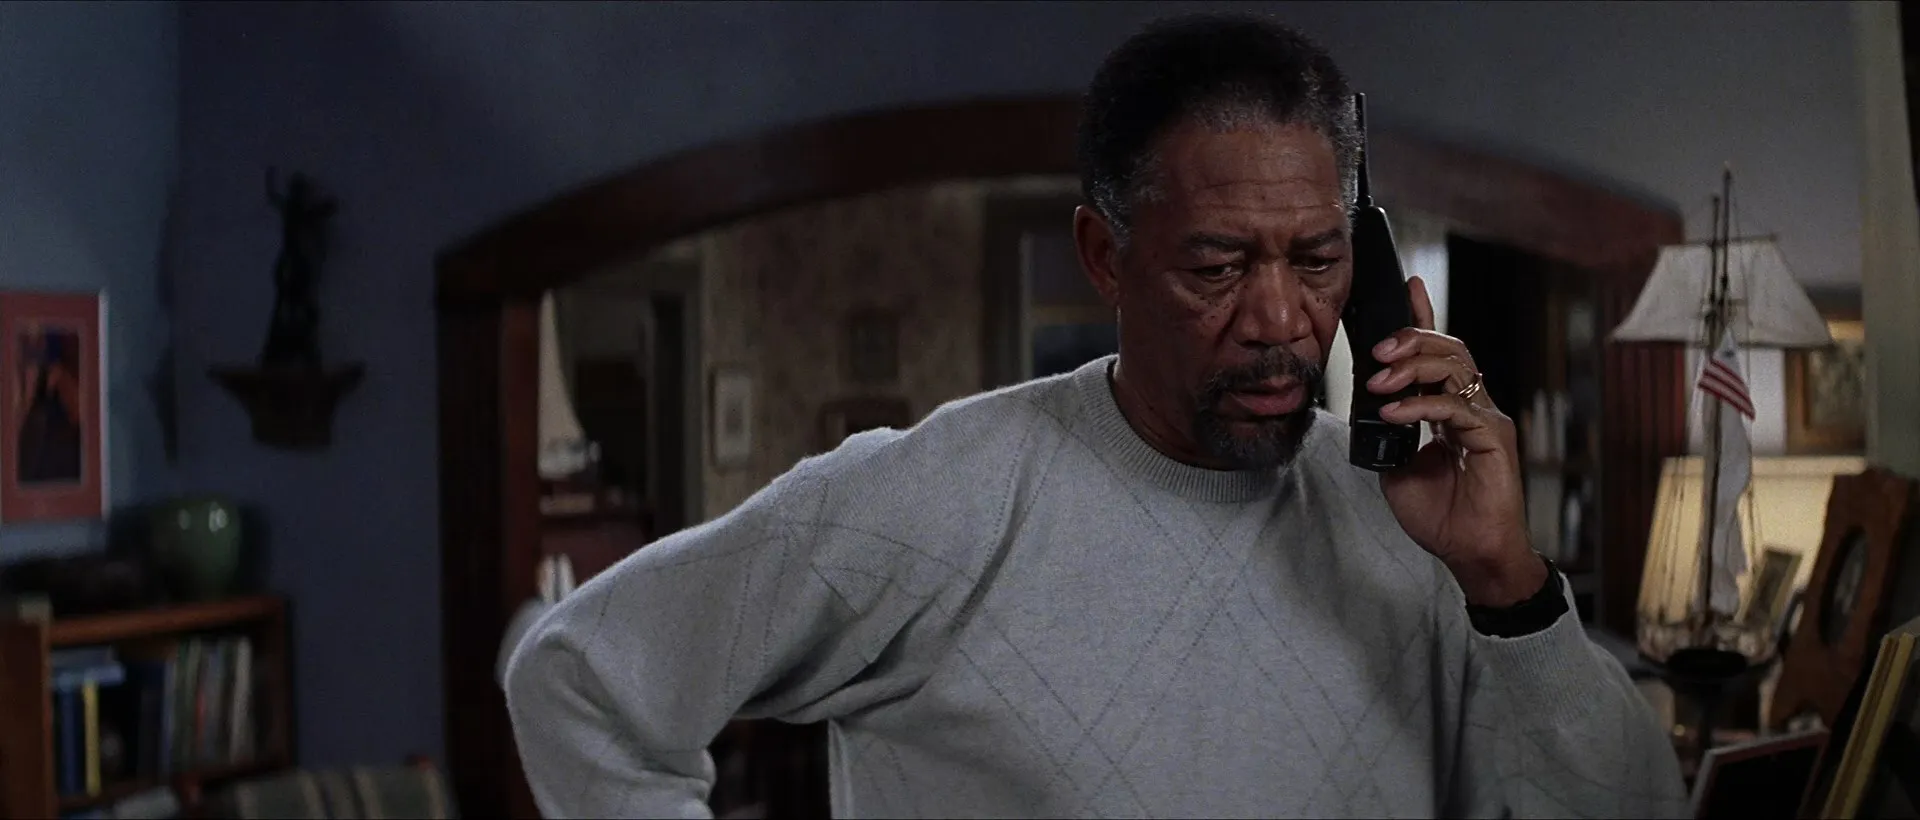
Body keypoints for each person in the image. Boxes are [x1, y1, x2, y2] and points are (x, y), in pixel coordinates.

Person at [506, 14, 1688, 819]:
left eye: (1320, 259)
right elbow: (579, 678)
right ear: (1104, 256)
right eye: (1218, 265)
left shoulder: (1420, 530)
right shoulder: (933, 497)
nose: (1282, 319)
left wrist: (1509, 588)